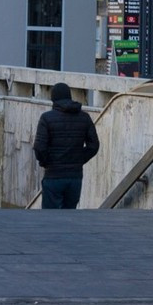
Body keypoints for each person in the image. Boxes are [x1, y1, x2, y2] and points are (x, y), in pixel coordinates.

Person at [32, 81, 100, 209]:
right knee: (70, 218)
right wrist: (79, 159)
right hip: (75, 177)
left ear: (53, 99)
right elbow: (94, 145)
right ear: (69, 96)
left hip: (53, 176)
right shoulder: (84, 117)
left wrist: (46, 162)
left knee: (50, 220)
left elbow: (40, 148)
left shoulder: (46, 118)